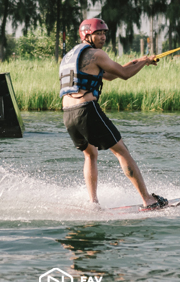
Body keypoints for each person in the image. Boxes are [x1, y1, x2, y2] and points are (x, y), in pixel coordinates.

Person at [59, 18, 168, 209]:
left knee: (90, 154)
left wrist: (139, 62)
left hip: (68, 113)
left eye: (104, 33)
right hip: (86, 109)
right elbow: (124, 74)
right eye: (98, 33)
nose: (103, 37)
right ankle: (148, 200)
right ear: (87, 35)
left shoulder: (71, 55)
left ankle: (93, 202)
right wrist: (144, 62)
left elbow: (109, 74)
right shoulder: (97, 54)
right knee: (121, 150)